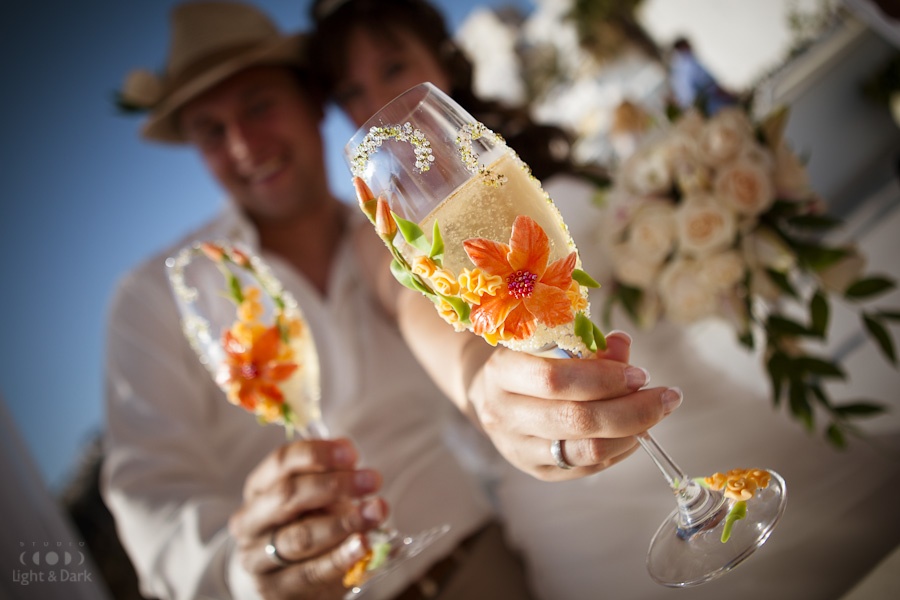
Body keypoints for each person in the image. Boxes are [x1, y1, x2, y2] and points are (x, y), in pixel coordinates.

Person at [310, 2, 900, 599]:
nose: (378, 102)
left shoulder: (511, 159)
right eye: (351, 92)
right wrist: (484, 385)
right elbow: (424, 317)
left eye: (393, 67)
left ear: (442, 62)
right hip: (594, 516)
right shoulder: (385, 238)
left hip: (709, 412)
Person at [103, 2, 678, 599]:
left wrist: (484, 382)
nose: (244, 143)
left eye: (258, 105)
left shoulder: (395, 238)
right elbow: (148, 495)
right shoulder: (160, 296)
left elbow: (421, 306)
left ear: (311, 101)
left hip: (485, 567)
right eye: (210, 131)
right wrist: (247, 570)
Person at [667, 36, 738, 115]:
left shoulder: (677, 69)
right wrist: (731, 96)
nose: (691, 46)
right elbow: (709, 86)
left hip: (696, 112)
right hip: (712, 106)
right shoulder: (690, 63)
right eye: (688, 44)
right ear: (683, 47)